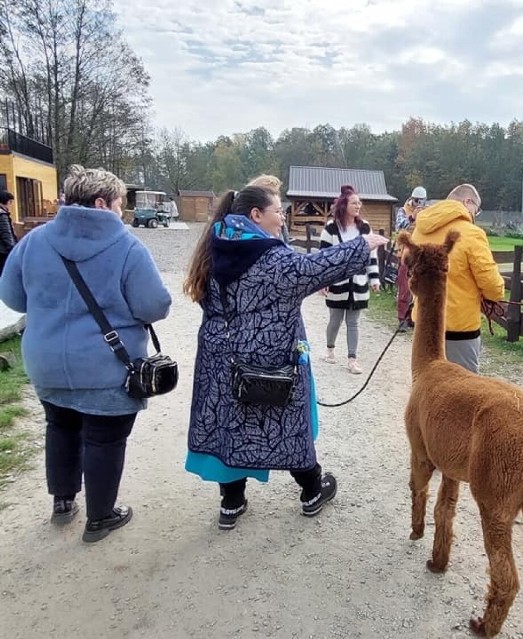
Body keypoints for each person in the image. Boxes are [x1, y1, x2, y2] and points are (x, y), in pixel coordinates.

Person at [183, 185, 387, 529]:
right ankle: (311, 491)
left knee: (231, 425)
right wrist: (361, 246)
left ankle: (231, 503)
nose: (283, 218)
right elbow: (310, 270)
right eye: (278, 211)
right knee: (288, 423)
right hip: (269, 357)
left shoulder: (215, 245)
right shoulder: (267, 256)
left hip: (221, 357)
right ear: (256, 216)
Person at [0, 165, 172, 543]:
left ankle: (63, 503)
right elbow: (155, 305)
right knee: (105, 439)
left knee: (59, 425)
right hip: (105, 367)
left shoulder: (34, 240)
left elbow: (12, 296)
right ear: (101, 202)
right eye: (119, 203)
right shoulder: (127, 246)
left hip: (45, 362)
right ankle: (100, 517)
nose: (122, 212)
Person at [410, 184, 504, 373]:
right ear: (467, 202)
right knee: (464, 390)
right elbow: (492, 285)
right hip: (459, 328)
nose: (474, 216)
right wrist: (495, 294)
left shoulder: (420, 229)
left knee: (425, 385)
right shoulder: (471, 233)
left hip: (425, 324)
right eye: (476, 210)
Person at [319, 185, 380, 375]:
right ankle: (330, 349)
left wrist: (374, 278)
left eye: (359, 202)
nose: (358, 205)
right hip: (337, 283)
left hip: (359, 283)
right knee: (335, 320)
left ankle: (352, 359)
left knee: (353, 322)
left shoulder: (365, 228)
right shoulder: (330, 229)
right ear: (344, 205)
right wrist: (322, 282)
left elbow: (372, 255)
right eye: (354, 202)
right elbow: (323, 258)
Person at [394, 186, 427, 330]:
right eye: (416, 200)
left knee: (420, 289)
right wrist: (412, 217)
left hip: (420, 254)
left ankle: (413, 318)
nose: (418, 203)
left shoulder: (427, 211)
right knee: (405, 288)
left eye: (421, 201)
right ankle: (402, 319)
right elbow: (399, 227)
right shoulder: (403, 211)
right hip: (405, 255)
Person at [247, 174, 290, 245]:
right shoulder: (246, 240)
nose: (283, 217)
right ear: (256, 214)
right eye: (277, 211)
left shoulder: (280, 226)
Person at [0, 190, 18, 275]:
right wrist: (13, 249)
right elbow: (6, 234)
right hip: (3, 250)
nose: (11, 205)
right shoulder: (2, 215)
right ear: (7, 201)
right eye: (11, 202)